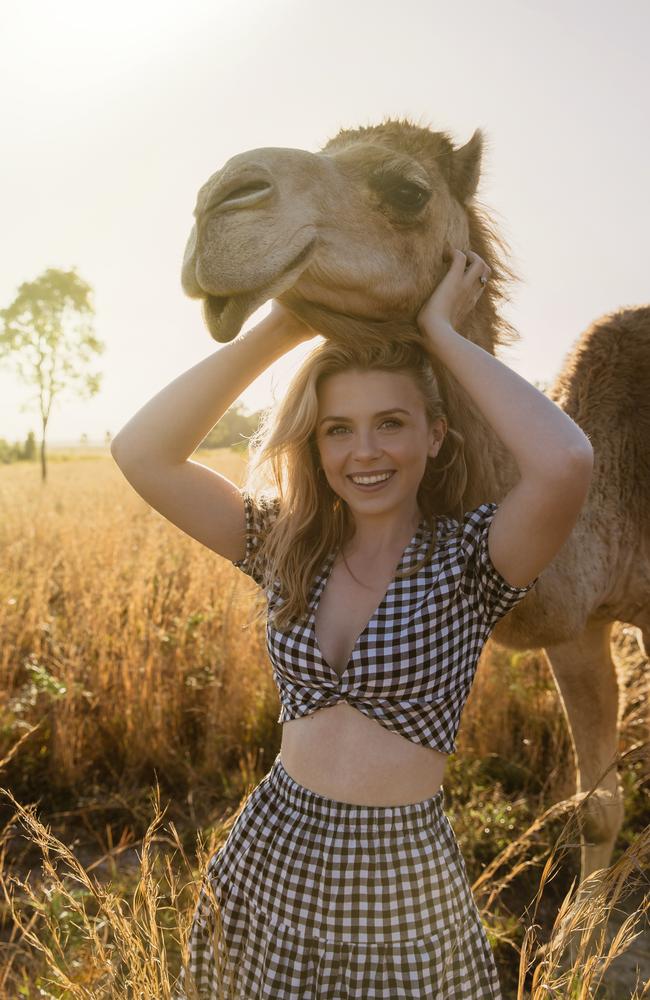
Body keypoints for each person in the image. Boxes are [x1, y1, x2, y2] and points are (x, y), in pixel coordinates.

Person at [111, 249, 594, 998]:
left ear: (434, 435)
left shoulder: (471, 559)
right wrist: (280, 328)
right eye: (338, 429)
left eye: (390, 423)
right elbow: (141, 452)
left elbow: (564, 461)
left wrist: (441, 335)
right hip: (269, 854)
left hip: (400, 879)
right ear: (316, 443)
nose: (364, 451)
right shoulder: (287, 544)